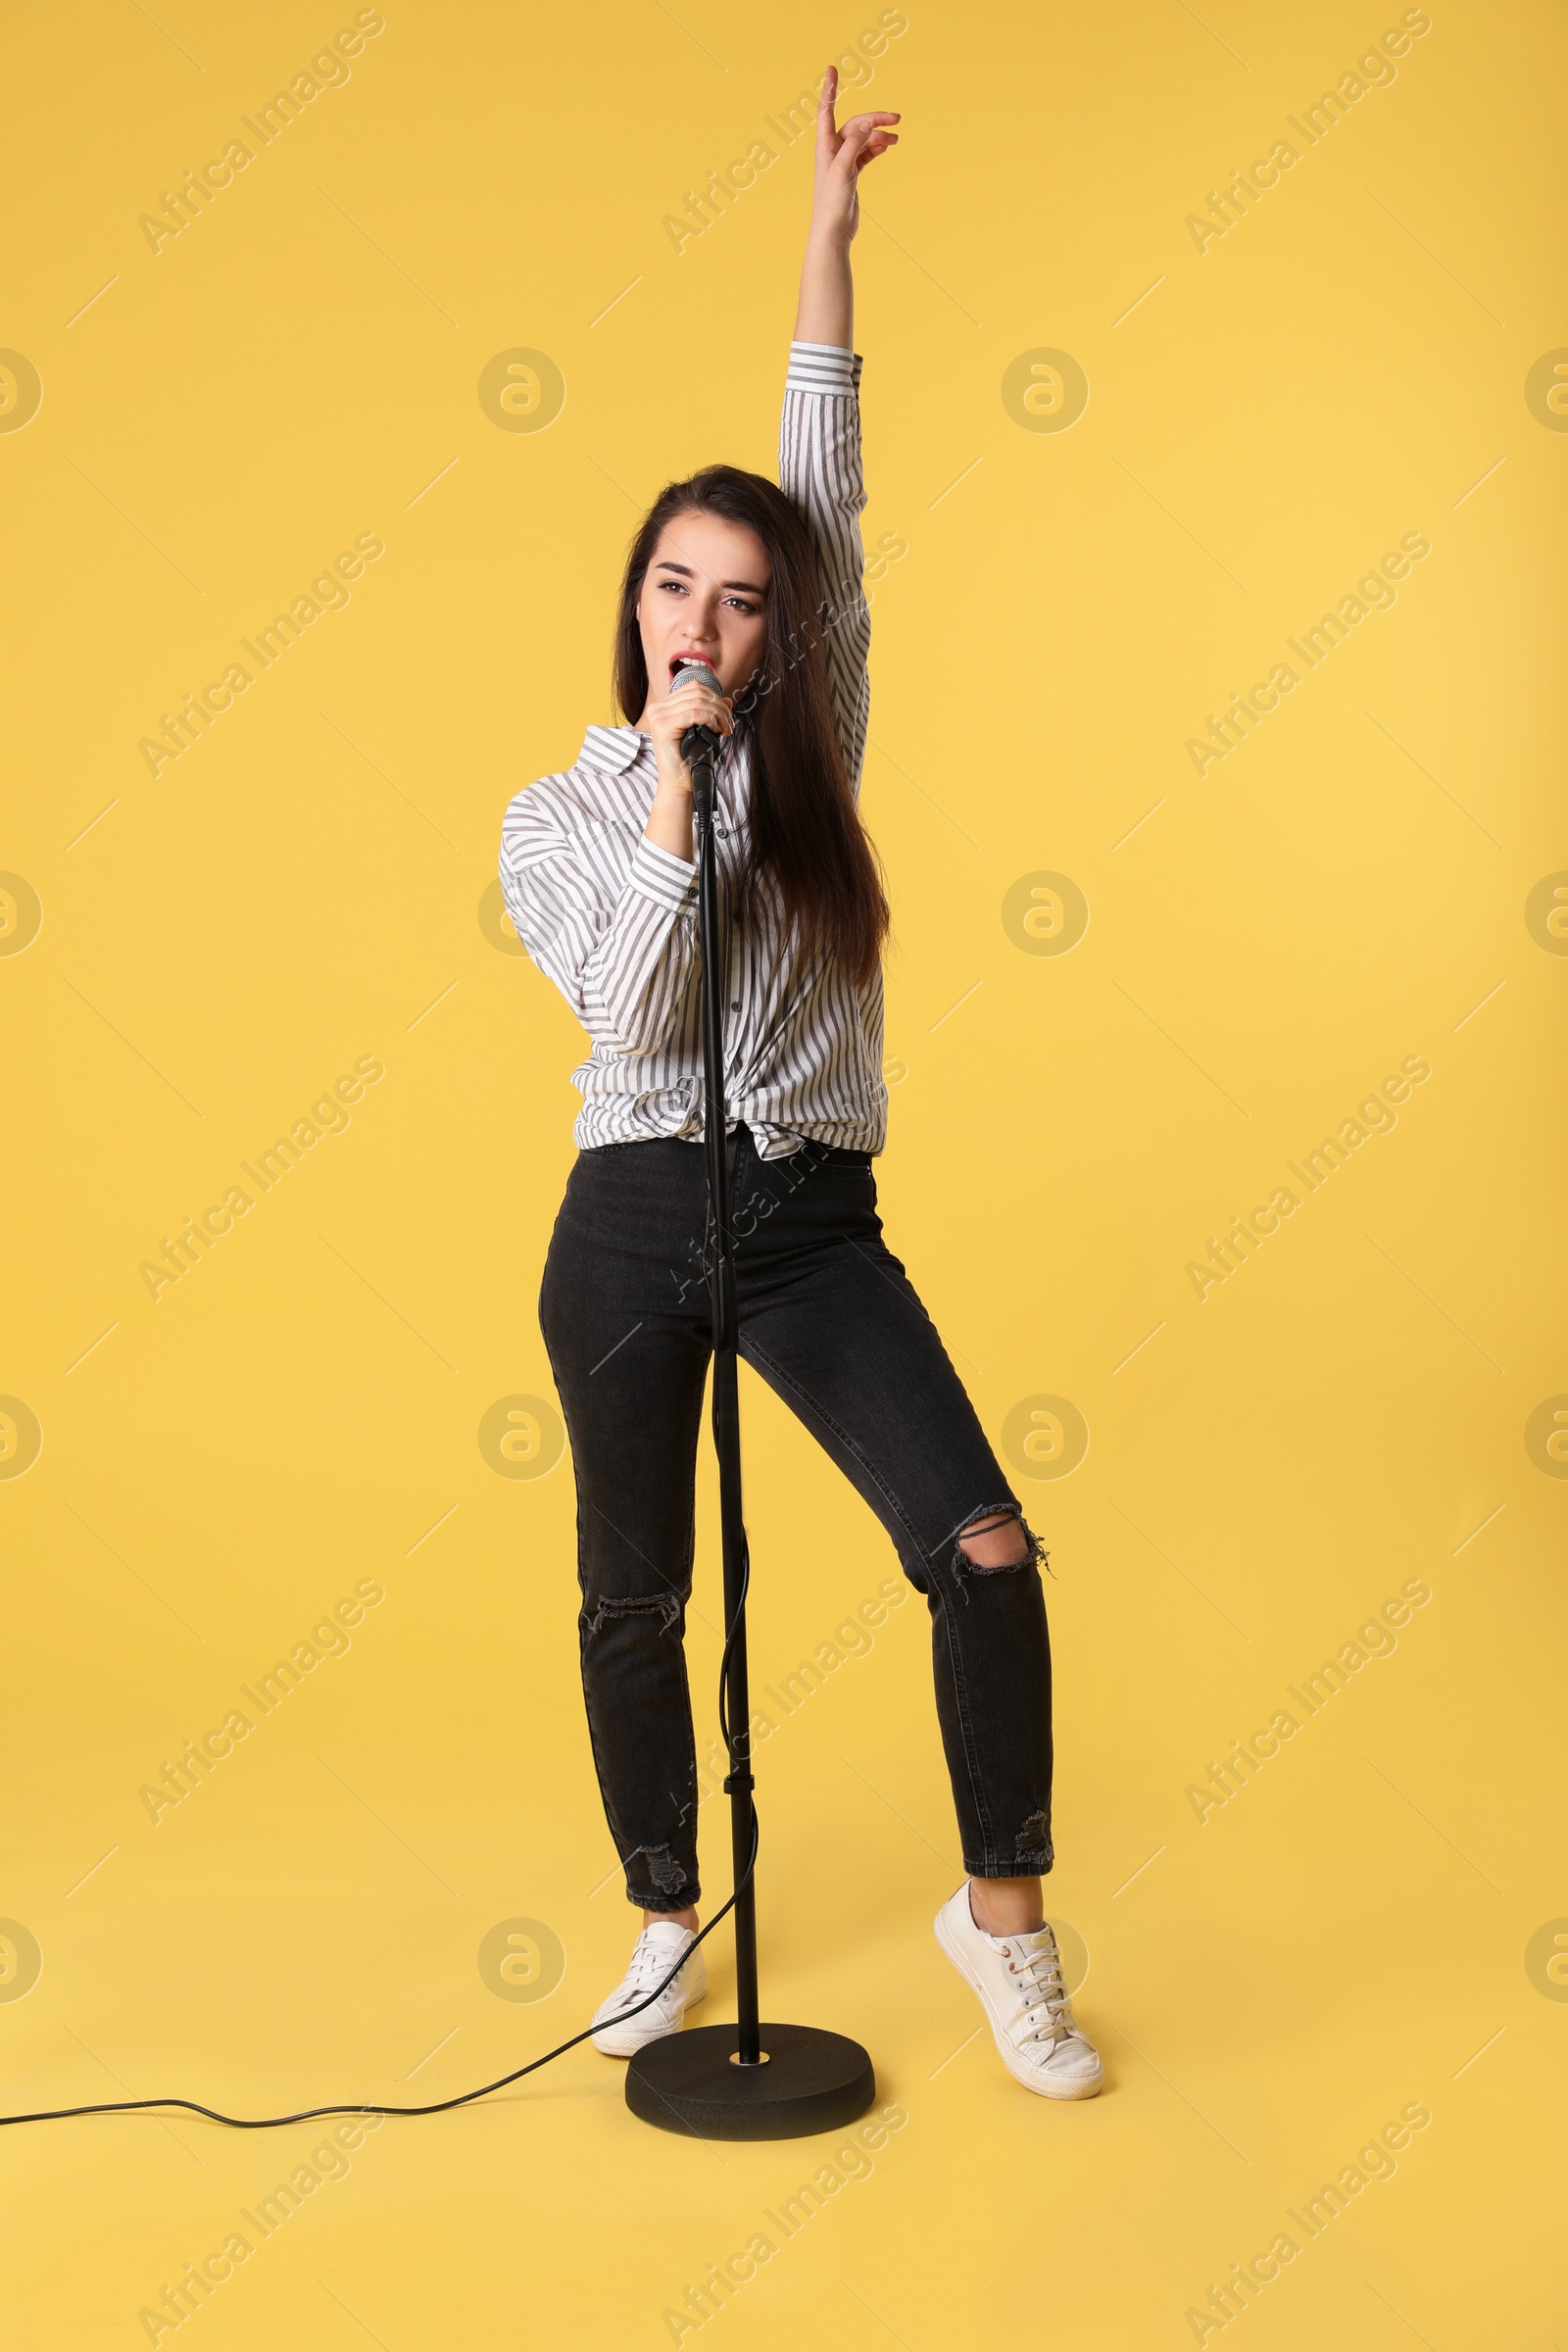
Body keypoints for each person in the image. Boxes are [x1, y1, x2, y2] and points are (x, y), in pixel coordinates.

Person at [498, 70, 1102, 2101]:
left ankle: (1000, 1926)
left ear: (780, 634)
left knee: (986, 1549)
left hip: (809, 1222)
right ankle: (669, 1911)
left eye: (740, 600)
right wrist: (668, 793)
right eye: (675, 587)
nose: (707, 620)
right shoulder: (557, 813)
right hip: (631, 1221)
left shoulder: (813, 742)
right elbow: (629, 1016)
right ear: (631, 609)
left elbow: (817, 486)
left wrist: (831, 243)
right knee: (627, 1594)